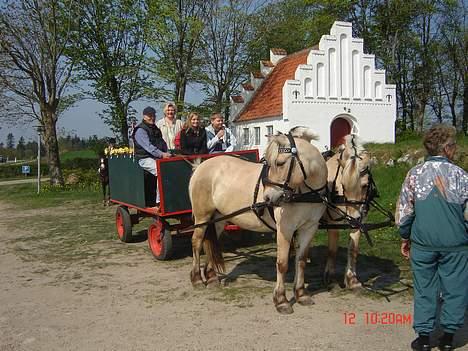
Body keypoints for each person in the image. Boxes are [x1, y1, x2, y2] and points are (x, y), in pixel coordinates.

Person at [396, 124, 468, 351]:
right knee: (455, 288)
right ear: (446, 148)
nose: (455, 149)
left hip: (423, 243)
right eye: (453, 145)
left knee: (424, 288)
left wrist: (405, 236)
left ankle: (425, 338)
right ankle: (448, 337)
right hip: (455, 245)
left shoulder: (414, 174)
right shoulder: (461, 176)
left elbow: (404, 211)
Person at [133, 106, 172, 213]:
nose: (152, 118)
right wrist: (162, 155)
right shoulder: (140, 130)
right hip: (144, 158)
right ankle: (159, 202)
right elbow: (148, 147)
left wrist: (168, 152)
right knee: (161, 171)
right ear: (144, 116)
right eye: (149, 116)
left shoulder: (155, 129)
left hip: (157, 157)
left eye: (153, 115)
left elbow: (162, 143)